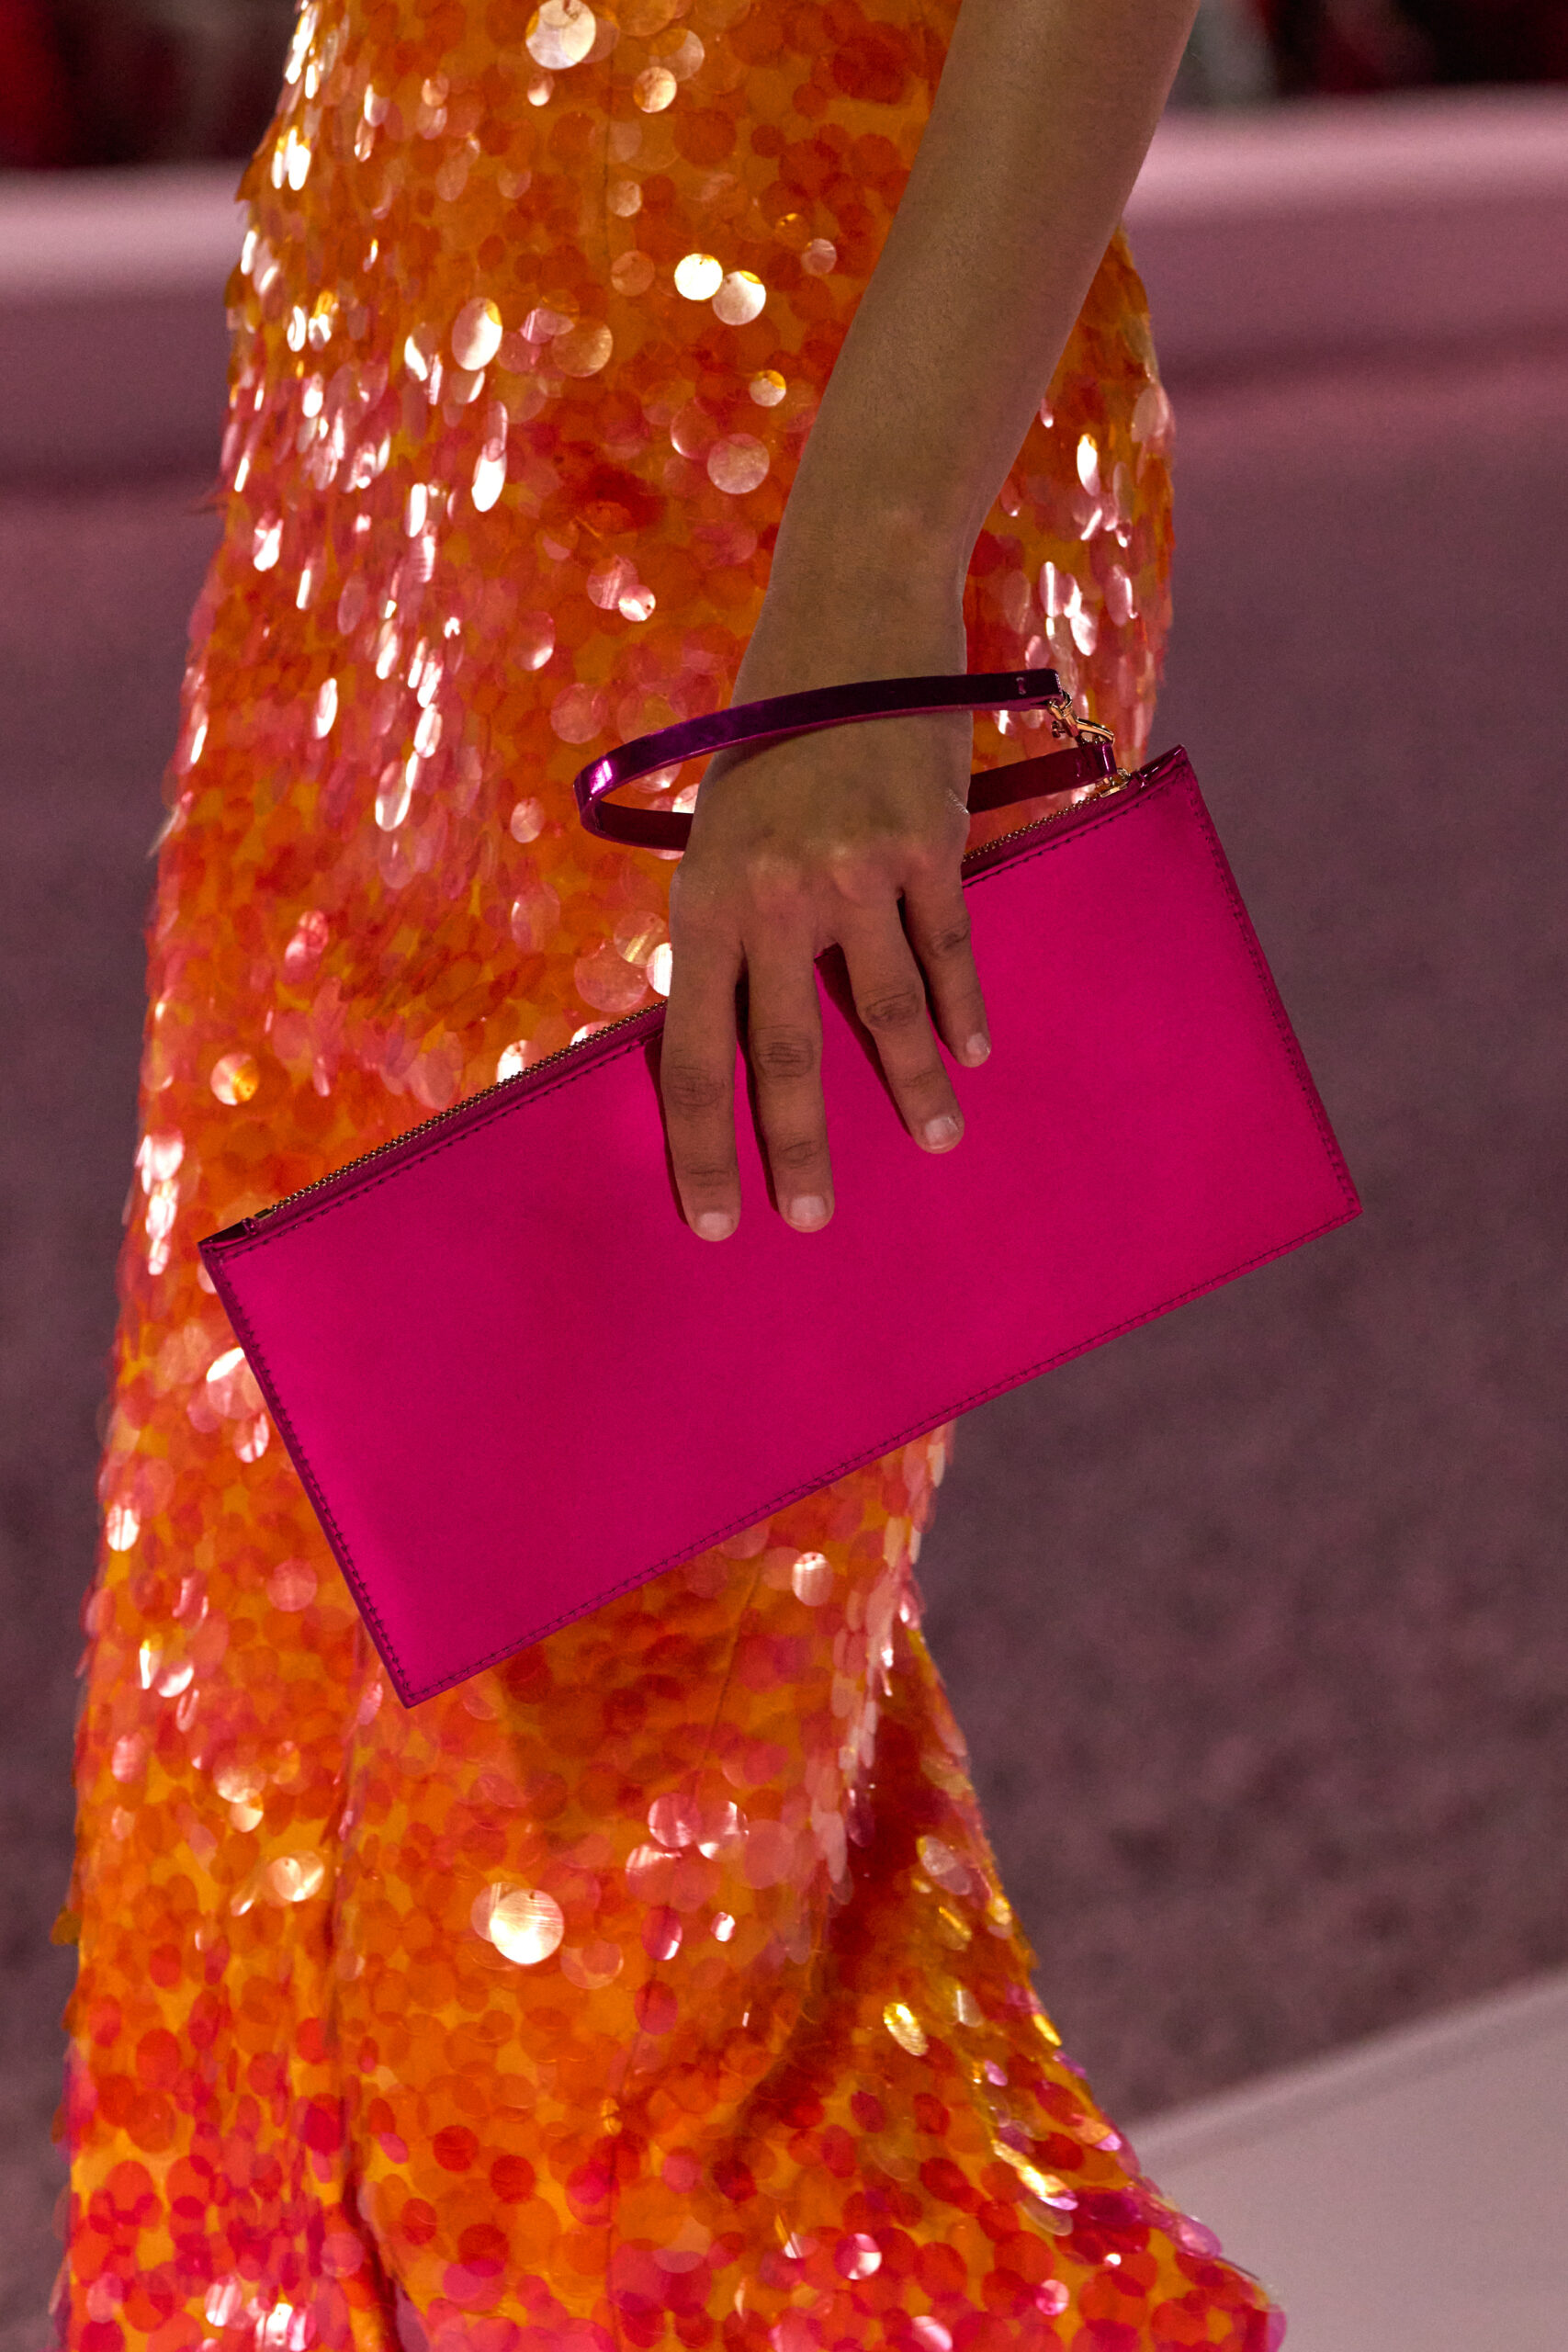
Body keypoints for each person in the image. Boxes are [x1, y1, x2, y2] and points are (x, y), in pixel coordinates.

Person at [53, 2, 1283, 2346]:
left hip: (761, 510)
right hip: (385, 487)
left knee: (572, 1925)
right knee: (246, 1809)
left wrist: (872, 574)